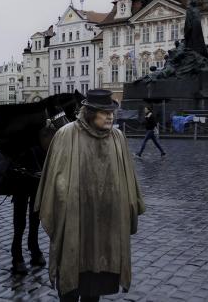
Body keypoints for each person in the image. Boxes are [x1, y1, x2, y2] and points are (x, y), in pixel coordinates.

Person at [35, 89, 145, 302]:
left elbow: (127, 178)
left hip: (106, 224)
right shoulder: (67, 134)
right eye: (104, 112)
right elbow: (55, 179)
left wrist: (127, 205)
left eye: (111, 111)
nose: (110, 116)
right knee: (71, 277)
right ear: (90, 112)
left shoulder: (117, 137)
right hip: (77, 221)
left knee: (96, 284)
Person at [10, 123, 55, 274]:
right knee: (20, 220)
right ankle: (16, 254)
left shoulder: (45, 147)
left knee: (35, 216)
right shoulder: (25, 145)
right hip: (21, 183)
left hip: (36, 184)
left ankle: (33, 247)